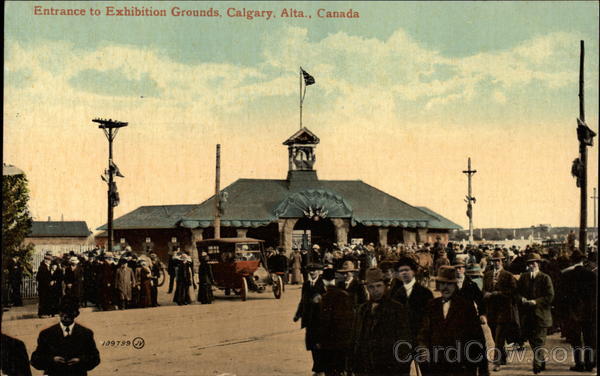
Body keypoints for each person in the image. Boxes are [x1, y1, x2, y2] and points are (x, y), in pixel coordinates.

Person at [417, 266, 484, 376]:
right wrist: (423, 347)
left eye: (449, 284)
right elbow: (424, 332)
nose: (445, 288)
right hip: (437, 365)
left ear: (455, 285)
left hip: (462, 365)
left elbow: (478, 338)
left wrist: (482, 370)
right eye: (442, 284)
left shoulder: (466, 307)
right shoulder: (431, 305)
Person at [350, 268, 412, 376]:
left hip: (389, 369)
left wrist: (401, 369)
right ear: (367, 288)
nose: (375, 290)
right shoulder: (362, 310)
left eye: (379, 286)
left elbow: (404, 343)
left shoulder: (397, 308)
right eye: (371, 287)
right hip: (365, 368)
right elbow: (355, 340)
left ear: (385, 286)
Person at [30, 296, 100, 376]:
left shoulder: (86, 334)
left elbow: (95, 358)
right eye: (63, 312)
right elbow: (35, 360)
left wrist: (80, 361)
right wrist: (52, 360)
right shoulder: (47, 334)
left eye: (70, 312)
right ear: (59, 313)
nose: (66, 316)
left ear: (76, 314)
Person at [557, 251, 596, 372]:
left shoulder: (566, 275)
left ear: (572, 261)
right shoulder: (592, 275)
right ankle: (590, 363)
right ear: (583, 260)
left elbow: (562, 297)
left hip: (573, 312)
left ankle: (579, 363)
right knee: (590, 338)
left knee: (576, 340)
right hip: (590, 311)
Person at [515, 252, 554, 374]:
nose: (532, 265)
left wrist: (535, 302)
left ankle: (536, 365)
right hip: (528, 316)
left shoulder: (545, 278)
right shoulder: (524, 277)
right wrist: (521, 299)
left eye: (535, 263)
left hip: (541, 315)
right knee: (533, 341)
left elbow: (550, 296)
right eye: (530, 263)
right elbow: (517, 293)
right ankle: (541, 360)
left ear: (539, 264)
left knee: (539, 340)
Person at [482, 250, 518, 371]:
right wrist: (485, 294)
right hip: (491, 310)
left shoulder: (508, 275)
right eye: (494, 261)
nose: (496, 263)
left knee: (498, 337)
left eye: (498, 261)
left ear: (502, 261)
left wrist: (499, 293)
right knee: (494, 335)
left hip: (504, 310)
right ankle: (503, 356)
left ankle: (496, 362)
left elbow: (513, 292)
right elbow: (484, 290)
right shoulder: (487, 274)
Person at [316, 267, 354, 376]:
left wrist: (320, 339)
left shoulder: (326, 297)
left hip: (330, 342)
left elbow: (325, 321)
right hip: (345, 340)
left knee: (331, 369)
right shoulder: (345, 296)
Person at [293, 263, 326, 376]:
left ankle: (320, 369)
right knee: (312, 344)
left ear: (319, 271)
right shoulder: (306, 284)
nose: (312, 272)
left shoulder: (322, 284)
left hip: (320, 319)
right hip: (309, 320)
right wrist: (298, 314)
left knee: (319, 344)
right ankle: (317, 369)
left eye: (315, 270)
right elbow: (302, 300)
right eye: (310, 271)